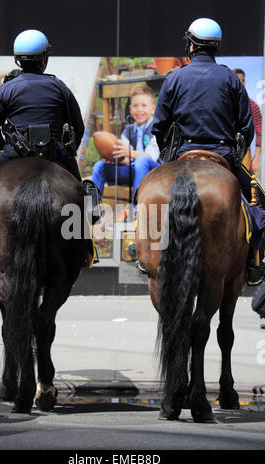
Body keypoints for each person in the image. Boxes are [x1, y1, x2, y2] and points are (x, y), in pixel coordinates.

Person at [0, 29, 99, 256]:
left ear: (18, 59)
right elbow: (78, 126)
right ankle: (85, 243)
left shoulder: (6, 89)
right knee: (82, 189)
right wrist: (69, 152)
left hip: (15, 152)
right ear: (44, 60)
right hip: (55, 152)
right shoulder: (60, 88)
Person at [152, 17, 265, 285]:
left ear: (190, 45)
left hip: (182, 152)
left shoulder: (174, 77)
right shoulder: (231, 78)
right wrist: (237, 156)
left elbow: (159, 126)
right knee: (258, 201)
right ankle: (254, 262)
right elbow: (247, 128)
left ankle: (146, 255)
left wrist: (167, 155)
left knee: (146, 195)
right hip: (223, 155)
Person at [91, 84, 159, 205]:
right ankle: (91, 209)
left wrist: (130, 153)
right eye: (135, 106)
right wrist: (114, 159)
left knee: (141, 161)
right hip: (134, 171)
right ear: (130, 109)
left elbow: (150, 156)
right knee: (99, 166)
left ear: (153, 109)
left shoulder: (157, 129)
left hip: (153, 173)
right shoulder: (128, 130)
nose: (139, 110)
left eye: (144, 105)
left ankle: (136, 208)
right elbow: (126, 158)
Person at [234, 68, 262, 176]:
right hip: (224, 150)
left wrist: (256, 158)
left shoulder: (252, 106)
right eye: (237, 80)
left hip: (243, 152)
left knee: (245, 185)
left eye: (243, 80)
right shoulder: (224, 105)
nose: (241, 83)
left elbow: (259, 133)